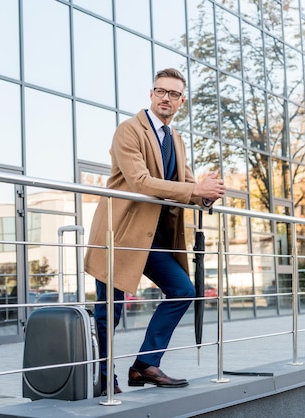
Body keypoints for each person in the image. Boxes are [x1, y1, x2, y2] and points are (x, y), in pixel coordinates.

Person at [84, 68, 226, 395]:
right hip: (119, 234)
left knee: (183, 290)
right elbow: (141, 182)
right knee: (110, 312)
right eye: (161, 91)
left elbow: (187, 184)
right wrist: (195, 190)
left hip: (153, 239)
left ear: (181, 101)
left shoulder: (176, 139)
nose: (166, 98)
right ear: (151, 94)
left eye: (173, 94)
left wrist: (209, 193)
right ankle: (105, 379)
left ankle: (144, 365)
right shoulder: (129, 130)